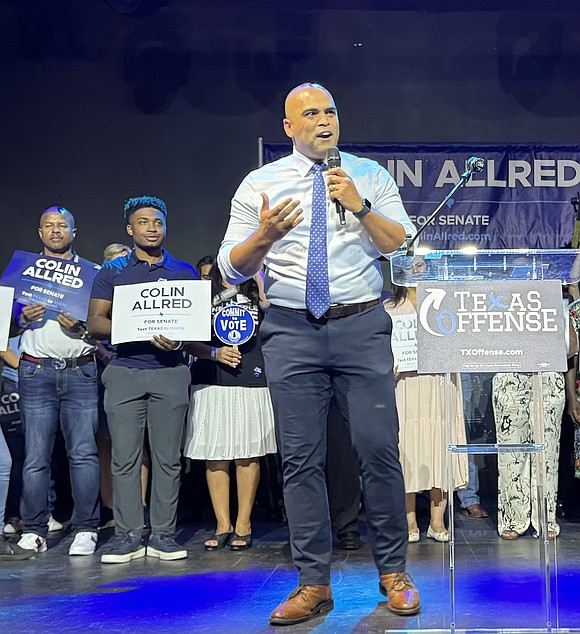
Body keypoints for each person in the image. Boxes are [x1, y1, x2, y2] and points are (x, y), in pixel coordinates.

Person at [217, 82, 421, 624]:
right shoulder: (261, 183)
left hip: (360, 328)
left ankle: (394, 573)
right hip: (291, 331)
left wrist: (360, 205)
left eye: (329, 110)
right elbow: (231, 266)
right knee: (300, 459)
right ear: (289, 127)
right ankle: (313, 584)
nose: (323, 119)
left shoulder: (369, 175)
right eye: (310, 113)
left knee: (378, 450)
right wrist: (262, 236)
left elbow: (397, 242)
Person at [88, 196, 197, 563]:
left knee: (168, 460)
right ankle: (128, 535)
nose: (152, 227)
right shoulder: (114, 271)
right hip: (124, 373)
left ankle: (164, 534)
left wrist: (179, 339)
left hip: (170, 373)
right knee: (125, 459)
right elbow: (95, 322)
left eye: (158, 222)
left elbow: (194, 329)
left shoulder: (183, 271)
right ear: (129, 230)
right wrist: (137, 328)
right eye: (144, 222)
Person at [12, 206, 100, 556]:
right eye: (48, 225)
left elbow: (103, 329)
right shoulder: (22, 274)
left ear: (74, 233)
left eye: (62, 225)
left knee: (83, 453)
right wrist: (20, 318)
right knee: (35, 456)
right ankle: (34, 529)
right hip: (36, 370)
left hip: (80, 369)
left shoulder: (92, 274)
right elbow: (8, 327)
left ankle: (86, 528)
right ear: (39, 233)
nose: (55, 230)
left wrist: (82, 329)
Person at [184, 261, 276, 551]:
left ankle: (243, 523)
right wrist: (214, 352)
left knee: (247, 455)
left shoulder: (256, 290)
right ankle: (222, 524)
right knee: (216, 454)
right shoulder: (202, 294)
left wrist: (259, 275)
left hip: (251, 377)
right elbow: (186, 340)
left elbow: (272, 309)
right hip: (212, 378)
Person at [384, 284, 468, 543]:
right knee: (407, 447)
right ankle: (409, 519)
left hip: (438, 383)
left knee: (438, 446)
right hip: (406, 385)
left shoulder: (445, 307)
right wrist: (389, 365)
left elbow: (461, 344)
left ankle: (436, 520)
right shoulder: (390, 309)